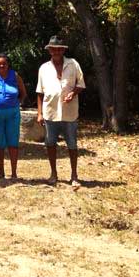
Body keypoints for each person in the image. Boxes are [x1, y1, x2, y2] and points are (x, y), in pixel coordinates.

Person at [36, 35, 86, 187]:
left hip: (69, 112)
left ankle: (74, 175)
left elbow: (81, 83)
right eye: (53, 49)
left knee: (72, 144)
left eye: (59, 49)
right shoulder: (44, 68)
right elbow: (39, 92)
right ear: (49, 50)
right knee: (50, 143)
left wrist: (73, 93)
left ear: (63, 50)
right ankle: (53, 174)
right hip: (50, 112)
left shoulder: (73, 64)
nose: (56, 51)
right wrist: (39, 113)